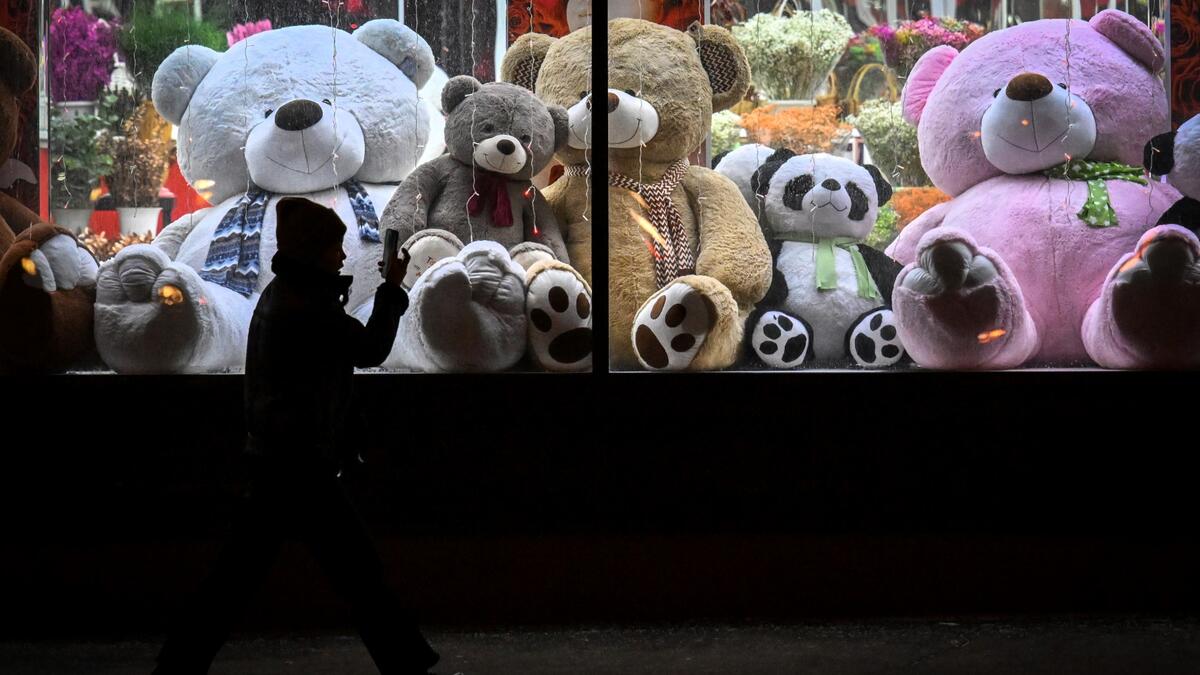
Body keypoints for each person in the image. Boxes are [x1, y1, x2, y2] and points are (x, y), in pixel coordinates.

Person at [153, 197, 437, 675]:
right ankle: (405, 660)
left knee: (242, 576)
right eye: (334, 248)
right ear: (313, 251)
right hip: (300, 465)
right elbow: (369, 348)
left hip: (280, 461)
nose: (343, 257)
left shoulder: (286, 294)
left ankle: (180, 662)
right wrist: (390, 288)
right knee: (354, 570)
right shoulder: (308, 307)